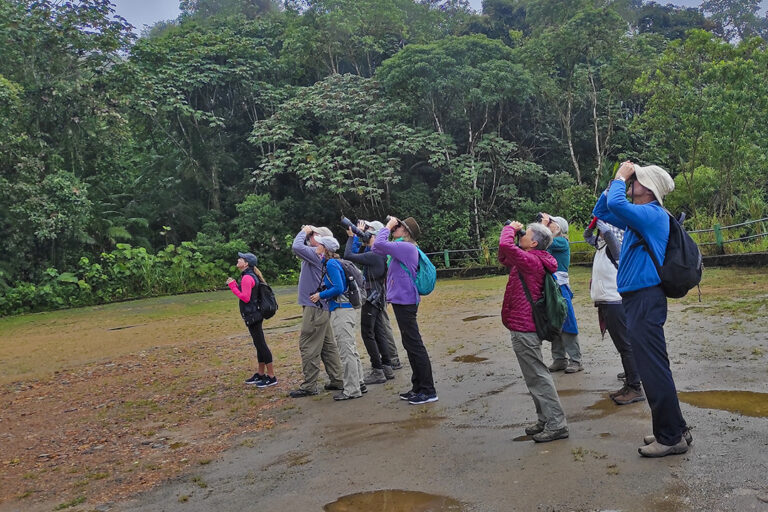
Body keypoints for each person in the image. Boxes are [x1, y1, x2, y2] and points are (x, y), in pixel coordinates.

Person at [593, 161, 692, 457]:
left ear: (647, 189)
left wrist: (619, 178)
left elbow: (616, 203)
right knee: (654, 367)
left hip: (645, 299)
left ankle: (670, 437)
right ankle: (676, 429)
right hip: (639, 299)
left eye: (637, 179)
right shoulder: (641, 218)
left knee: (652, 369)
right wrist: (617, 182)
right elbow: (603, 210)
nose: (630, 181)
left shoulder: (652, 214)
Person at [499, 221, 569, 443]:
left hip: (525, 327)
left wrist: (510, 229)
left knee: (538, 376)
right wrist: (517, 234)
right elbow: (504, 256)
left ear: (535, 242)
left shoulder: (530, 261)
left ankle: (557, 424)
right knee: (533, 377)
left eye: (525, 234)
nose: (522, 235)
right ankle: (545, 419)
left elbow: (505, 245)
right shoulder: (530, 258)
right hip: (524, 326)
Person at [373, 216, 438, 405]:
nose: (395, 228)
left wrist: (387, 226)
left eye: (398, 226)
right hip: (403, 300)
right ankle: (418, 387)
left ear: (406, 231)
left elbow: (379, 243)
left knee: (415, 345)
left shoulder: (406, 247)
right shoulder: (402, 247)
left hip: (406, 301)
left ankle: (428, 389)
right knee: (410, 344)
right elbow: (377, 248)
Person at [584, 219, 644, 405]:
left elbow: (611, 238)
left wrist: (603, 220)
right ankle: (630, 382)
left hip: (615, 301)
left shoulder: (616, 246)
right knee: (622, 345)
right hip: (607, 301)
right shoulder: (601, 246)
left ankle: (635, 387)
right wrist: (594, 221)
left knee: (625, 345)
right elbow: (587, 235)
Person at [288, 225, 344, 398]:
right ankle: (337, 379)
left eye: (313, 235)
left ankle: (310, 385)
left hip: (314, 308)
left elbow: (296, 246)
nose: (310, 237)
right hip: (321, 307)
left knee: (308, 344)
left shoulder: (315, 254)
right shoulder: (319, 254)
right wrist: (307, 234)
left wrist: (304, 231)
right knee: (328, 346)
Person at [309, 235, 366, 401]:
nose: (315, 247)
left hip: (341, 311)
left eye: (318, 245)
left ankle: (352, 389)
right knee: (351, 348)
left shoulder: (332, 264)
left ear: (325, 248)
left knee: (345, 351)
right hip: (346, 310)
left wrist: (320, 295)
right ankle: (359, 382)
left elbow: (339, 288)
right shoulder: (333, 262)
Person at [344, 220, 395, 385]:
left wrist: (352, 237)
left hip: (370, 296)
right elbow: (358, 256)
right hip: (378, 295)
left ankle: (377, 370)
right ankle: (387, 367)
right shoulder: (380, 253)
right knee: (379, 331)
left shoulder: (373, 255)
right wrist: (360, 237)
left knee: (368, 333)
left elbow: (348, 256)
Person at [539, 213, 583, 374]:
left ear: (558, 228)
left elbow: (543, 240)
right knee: (554, 322)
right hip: (550, 286)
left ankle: (575, 360)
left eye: (551, 223)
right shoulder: (551, 242)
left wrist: (543, 227)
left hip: (561, 287)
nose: (548, 224)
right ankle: (559, 359)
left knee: (567, 321)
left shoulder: (561, 242)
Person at [227, 252, 277, 388]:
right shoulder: (249, 275)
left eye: (241, 258)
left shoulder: (247, 277)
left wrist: (232, 286)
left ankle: (271, 376)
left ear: (246, 263)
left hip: (253, 315)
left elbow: (246, 298)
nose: (238, 259)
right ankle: (261, 373)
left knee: (261, 344)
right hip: (254, 314)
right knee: (258, 344)